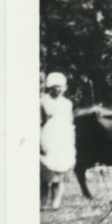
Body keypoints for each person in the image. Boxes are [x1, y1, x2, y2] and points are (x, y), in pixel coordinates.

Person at [40, 72, 76, 209]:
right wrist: (40, 143)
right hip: (48, 139)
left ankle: (56, 202)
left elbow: (70, 123)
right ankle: (42, 202)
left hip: (63, 140)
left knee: (60, 174)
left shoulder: (67, 103)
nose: (59, 90)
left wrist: (71, 142)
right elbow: (38, 123)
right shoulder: (43, 101)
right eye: (56, 87)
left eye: (62, 87)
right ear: (50, 87)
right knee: (46, 175)